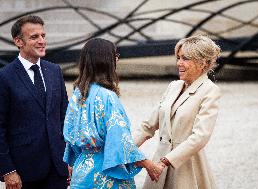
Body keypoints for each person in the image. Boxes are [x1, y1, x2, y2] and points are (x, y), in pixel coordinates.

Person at [63, 38, 162, 189]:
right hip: (106, 173)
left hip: (82, 171)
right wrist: (148, 164)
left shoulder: (78, 94)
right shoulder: (108, 97)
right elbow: (119, 140)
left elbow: (70, 137)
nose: (117, 59)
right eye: (115, 56)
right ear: (106, 61)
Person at [133, 35, 221, 189]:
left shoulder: (210, 91)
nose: (179, 63)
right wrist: (125, 148)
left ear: (203, 63)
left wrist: (166, 161)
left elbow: (200, 137)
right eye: (178, 57)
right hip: (158, 165)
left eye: (185, 58)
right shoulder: (173, 86)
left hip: (186, 167)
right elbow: (148, 125)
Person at [0, 15, 69, 189]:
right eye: (34, 37)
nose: (41, 41)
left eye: (43, 36)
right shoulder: (4, 77)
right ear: (18, 41)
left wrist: (69, 159)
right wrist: (8, 170)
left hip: (57, 170)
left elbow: (64, 118)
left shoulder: (54, 71)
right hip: (23, 173)